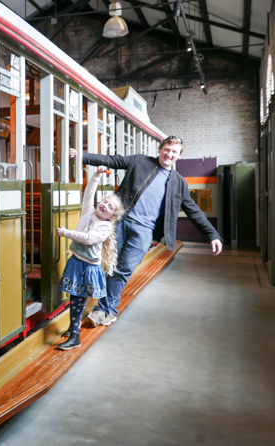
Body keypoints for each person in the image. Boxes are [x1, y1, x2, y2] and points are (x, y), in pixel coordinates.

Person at [69, 135, 222, 327]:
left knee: (123, 269)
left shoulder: (178, 182)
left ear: (179, 156)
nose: (169, 154)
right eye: (167, 149)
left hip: (144, 231)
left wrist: (212, 235)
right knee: (111, 265)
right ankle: (106, 310)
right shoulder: (140, 160)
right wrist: (81, 156)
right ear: (160, 149)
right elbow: (112, 160)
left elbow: (193, 210)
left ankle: (104, 310)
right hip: (120, 222)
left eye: (174, 152)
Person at [55, 166, 124, 350]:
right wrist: (96, 175)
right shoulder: (88, 212)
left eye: (110, 207)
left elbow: (88, 239)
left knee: (78, 299)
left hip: (88, 268)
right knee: (74, 297)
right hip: (76, 262)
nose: (105, 206)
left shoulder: (105, 227)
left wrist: (66, 233)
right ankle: (72, 328)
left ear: (112, 216)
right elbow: (89, 192)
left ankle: (76, 337)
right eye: (105, 202)